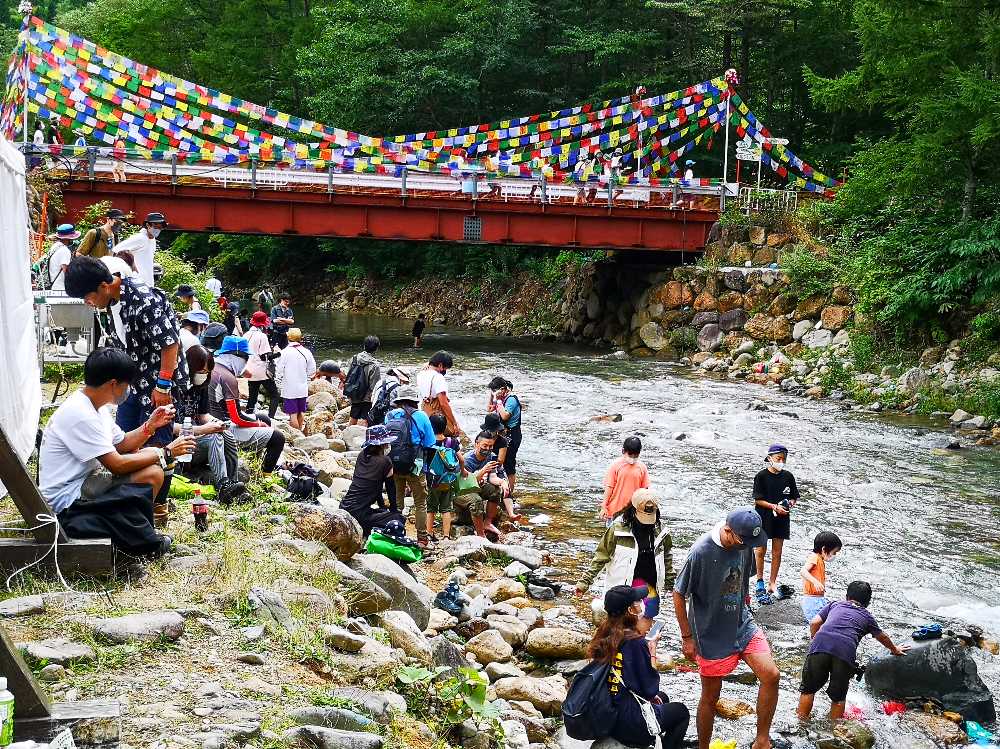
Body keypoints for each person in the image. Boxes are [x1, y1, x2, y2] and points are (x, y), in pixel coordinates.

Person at [39, 348, 195, 556]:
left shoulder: (95, 407)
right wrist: (166, 452)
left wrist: (150, 426)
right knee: (153, 469)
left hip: (85, 482)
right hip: (67, 500)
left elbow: (121, 443)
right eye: (126, 385)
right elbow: (117, 463)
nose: (128, 390)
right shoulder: (80, 414)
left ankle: (137, 530)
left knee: (152, 470)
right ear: (113, 384)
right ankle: (135, 535)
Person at [673, 509, 779, 749]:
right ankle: (703, 746)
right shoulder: (700, 552)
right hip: (710, 633)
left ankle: (762, 740)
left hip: (742, 623)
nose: (749, 547)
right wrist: (687, 637)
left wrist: (747, 601)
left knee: (771, 675)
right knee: (710, 697)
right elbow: (678, 594)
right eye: (745, 542)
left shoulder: (745, 544)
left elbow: (744, 579)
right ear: (728, 531)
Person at [64, 256, 189, 459]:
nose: (88, 304)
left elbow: (170, 343)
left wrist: (163, 386)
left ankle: (156, 488)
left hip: (159, 383)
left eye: (87, 298)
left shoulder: (142, 299)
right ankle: (131, 489)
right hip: (133, 383)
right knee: (125, 441)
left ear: (103, 286)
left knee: (158, 448)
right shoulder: (112, 302)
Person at [588, 585, 690, 749]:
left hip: (606, 715)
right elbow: (650, 689)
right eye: (638, 601)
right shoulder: (635, 642)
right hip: (628, 724)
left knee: (663, 698)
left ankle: (655, 742)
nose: (642, 604)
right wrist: (652, 651)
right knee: (681, 712)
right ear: (630, 610)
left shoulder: (604, 634)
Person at [797, 581, 909, 721]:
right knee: (838, 698)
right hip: (845, 652)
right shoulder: (867, 616)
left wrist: (814, 639)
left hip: (820, 645)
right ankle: (835, 731)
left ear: (847, 596)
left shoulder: (835, 604)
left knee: (808, 690)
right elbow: (882, 636)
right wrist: (895, 649)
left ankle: (801, 723)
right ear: (867, 602)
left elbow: (814, 622)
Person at [577, 489, 674, 622]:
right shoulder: (617, 529)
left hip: (650, 589)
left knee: (645, 629)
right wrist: (584, 583)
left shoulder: (662, 532)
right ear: (633, 510)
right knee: (620, 629)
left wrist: (670, 584)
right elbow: (601, 556)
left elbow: (667, 558)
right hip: (622, 590)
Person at [173, 344, 248, 504]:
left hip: (194, 440)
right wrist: (203, 429)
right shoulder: (174, 387)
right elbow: (169, 427)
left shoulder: (201, 386)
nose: (203, 375)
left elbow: (203, 414)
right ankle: (223, 486)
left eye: (207, 372)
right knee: (213, 436)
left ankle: (232, 483)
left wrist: (217, 423)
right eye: (201, 372)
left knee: (224, 433)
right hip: (178, 446)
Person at [209, 336, 286, 477]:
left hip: (213, 420)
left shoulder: (213, 367)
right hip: (222, 428)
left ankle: (255, 463)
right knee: (278, 438)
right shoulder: (228, 378)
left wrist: (259, 422)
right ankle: (266, 476)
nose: (245, 362)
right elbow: (237, 418)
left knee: (264, 417)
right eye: (245, 358)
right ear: (235, 356)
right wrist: (257, 424)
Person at [383, 386, 436, 546]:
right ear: (414, 401)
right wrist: (426, 467)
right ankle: (422, 540)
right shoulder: (421, 416)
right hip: (415, 466)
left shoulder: (390, 415)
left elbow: (386, 442)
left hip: (394, 464)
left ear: (398, 402)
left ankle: (397, 534)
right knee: (420, 503)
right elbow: (430, 445)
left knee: (397, 502)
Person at [752, 444, 800, 603]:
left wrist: (789, 504)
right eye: (778, 458)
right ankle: (760, 581)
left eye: (783, 459)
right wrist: (774, 506)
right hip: (764, 516)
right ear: (770, 458)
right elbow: (758, 499)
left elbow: (794, 497)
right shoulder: (761, 476)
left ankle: (772, 582)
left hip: (782, 517)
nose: (781, 461)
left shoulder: (788, 476)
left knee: (777, 552)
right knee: (760, 549)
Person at [339, 425, 403, 537]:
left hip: (345, 507)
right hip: (359, 514)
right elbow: (390, 489)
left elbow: (374, 485)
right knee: (398, 519)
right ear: (383, 444)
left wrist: (382, 507)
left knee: (381, 512)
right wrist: (393, 511)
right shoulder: (385, 461)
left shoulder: (361, 456)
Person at [461, 431, 510, 539]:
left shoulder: (491, 456)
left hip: (478, 486)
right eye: (485, 446)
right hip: (463, 489)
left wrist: (503, 482)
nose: (487, 449)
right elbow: (465, 482)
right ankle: (480, 534)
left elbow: (492, 478)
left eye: (490, 446)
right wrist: (483, 471)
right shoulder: (467, 460)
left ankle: (487, 522)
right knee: (476, 500)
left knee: (496, 491)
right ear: (476, 444)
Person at [426, 414, 465, 541]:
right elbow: (461, 459)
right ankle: (446, 536)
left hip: (432, 481)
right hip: (447, 479)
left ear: (430, 427)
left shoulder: (428, 442)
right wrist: (463, 471)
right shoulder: (451, 442)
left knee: (431, 508)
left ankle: (429, 533)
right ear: (445, 427)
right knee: (446, 508)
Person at [275, 328, 316, 431]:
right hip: (302, 387)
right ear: (300, 338)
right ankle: (300, 433)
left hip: (289, 388)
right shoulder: (307, 352)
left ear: (288, 337)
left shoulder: (284, 352)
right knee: (301, 412)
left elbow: (278, 370)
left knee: (292, 414)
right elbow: (312, 371)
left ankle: (297, 435)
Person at [602, 436, 650, 523]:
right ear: (623, 451)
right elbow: (609, 487)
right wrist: (603, 506)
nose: (633, 458)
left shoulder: (642, 468)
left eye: (636, 455)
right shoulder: (615, 466)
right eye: (630, 455)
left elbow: (645, 491)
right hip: (614, 511)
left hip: (635, 513)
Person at [488, 376, 522, 496]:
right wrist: (492, 397)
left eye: (495, 391)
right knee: (495, 460)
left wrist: (498, 401)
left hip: (512, 435)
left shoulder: (511, 399)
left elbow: (504, 416)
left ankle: (510, 494)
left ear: (503, 389)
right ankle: (498, 489)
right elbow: (490, 410)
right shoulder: (499, 397)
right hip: (501, 434)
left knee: (509, 464)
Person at [113, 212, 167, 287]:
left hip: (148, 282)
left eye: (160, 227)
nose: (158, 229)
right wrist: (132, 267)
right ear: (148, 225)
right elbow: (116, 250)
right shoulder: (140, 238)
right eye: (155, 226)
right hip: (136, 282)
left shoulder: (152, 240)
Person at [800, 532, 842, 625]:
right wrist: (815, 582)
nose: (834, 555)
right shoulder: (814, 557)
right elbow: (803, 571)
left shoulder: (819, 559)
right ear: (824, 549)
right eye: (834, 552)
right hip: (812, 601)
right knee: (817, 625)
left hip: (817, 599)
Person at [244, 311, 281, 418]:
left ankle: (248, 416)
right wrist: (278, 353)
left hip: (249, 370)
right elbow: (265, 356)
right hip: (261, 371)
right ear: (262, 324)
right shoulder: (262, 336)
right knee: (274, 394)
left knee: (252, 396)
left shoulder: (246, 335)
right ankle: (271, 417)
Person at [418, 350, 459, 437]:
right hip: (436, 411)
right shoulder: (438, 377)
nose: (445, 371)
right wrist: (454, 423)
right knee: (452, 432)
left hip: (425, 408)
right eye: (445, 368)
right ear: (440, 365)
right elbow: (443, 403)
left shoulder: (421, 373)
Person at [344, 335, 381, 427]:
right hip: (367, 396)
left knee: (353, 415)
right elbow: (374, 385)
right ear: (376, 349)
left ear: (364, 346)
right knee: (366, 418)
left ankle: (347, 434)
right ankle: (363, 437)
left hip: (354, 392)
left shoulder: (354, 358)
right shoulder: (374, 365)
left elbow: (348, 374)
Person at [46, 224, 80, 292]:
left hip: (54, 286)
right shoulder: (64, 250)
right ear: (68, 238)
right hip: (62, 288)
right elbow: (66, 271)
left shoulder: (55, 247)